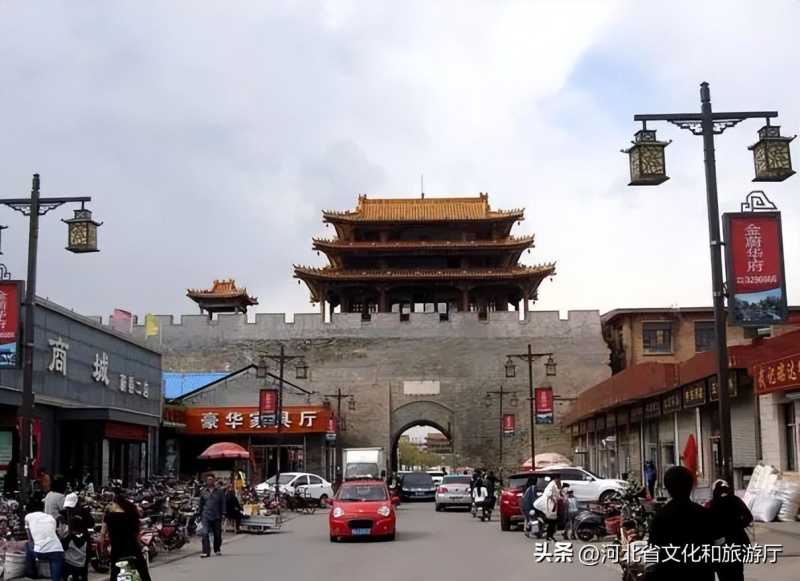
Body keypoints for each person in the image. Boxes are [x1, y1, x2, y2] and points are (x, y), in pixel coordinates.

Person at [647, 466, 714, 581]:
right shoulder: (704, 514)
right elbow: (715, 547)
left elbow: (653, 550)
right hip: (701, 574)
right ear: (690, 486)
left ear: (668, 488)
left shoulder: (660, 517)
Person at [707, 479, 752, 581]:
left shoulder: (711, 504)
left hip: (720, 547)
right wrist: (738, 526)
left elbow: (707, 526)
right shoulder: (736, 500)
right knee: (738, 573)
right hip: (737, 544)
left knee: (723, 575)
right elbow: (748, 517)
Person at [101, 494, 151, 581]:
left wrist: (103, 550)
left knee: (114, 573)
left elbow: (102, 534)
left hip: (117, 551)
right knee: (143, 572)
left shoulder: (108, 516)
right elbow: (137, 534)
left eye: (112, 504)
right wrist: (141, 546)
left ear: (116, 504)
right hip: (133, 549)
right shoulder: (132, 515)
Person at [25, 499, 64, 581]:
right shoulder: (50, 517)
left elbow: (30, 538)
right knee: (56, 571)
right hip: (57, 549)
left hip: (39, 552)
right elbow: (53, 533)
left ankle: (31, 573)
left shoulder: (28, 517)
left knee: (27, 545)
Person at [198, 475, 226, 557]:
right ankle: (206, 551)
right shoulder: (203, 491)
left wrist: (224, 513)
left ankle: (217, 549)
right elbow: (201, 504)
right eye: (208, 480)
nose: (210, 481)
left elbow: (223, 503)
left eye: (211, 479)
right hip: (206, 515)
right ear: (206, 481)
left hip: (216, 515)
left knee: (217, 535)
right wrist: (199, 514)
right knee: (205, 533)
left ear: (214, 481)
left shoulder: (220, 492)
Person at [61, 516, 89, 581]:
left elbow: (62, 548)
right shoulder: (86, 537)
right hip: (82, 565)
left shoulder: (69, 538)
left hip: (69, 564)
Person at [533, 476, 560, 541]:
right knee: (552, 521)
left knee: (552, 521)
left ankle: (549, 535)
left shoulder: (554, 485)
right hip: (546, 505)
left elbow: (557, 495)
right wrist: (553, 499)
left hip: (550, 505)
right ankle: (549, 536)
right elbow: (549, 494)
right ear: (556, 479)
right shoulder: (552, 485)